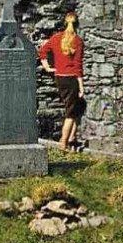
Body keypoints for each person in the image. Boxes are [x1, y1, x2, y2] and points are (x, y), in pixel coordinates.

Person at [38, 12, 85, 151]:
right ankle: (63, 142)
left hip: (60, 77)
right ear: (77, 25)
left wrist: (48, 67)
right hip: (71, 79)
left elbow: (42, 51)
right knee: (71, 112)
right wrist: (81, 87)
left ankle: (72, 138)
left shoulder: (56, 38)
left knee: (80, 106)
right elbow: (78, 67)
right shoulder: (77, 41)